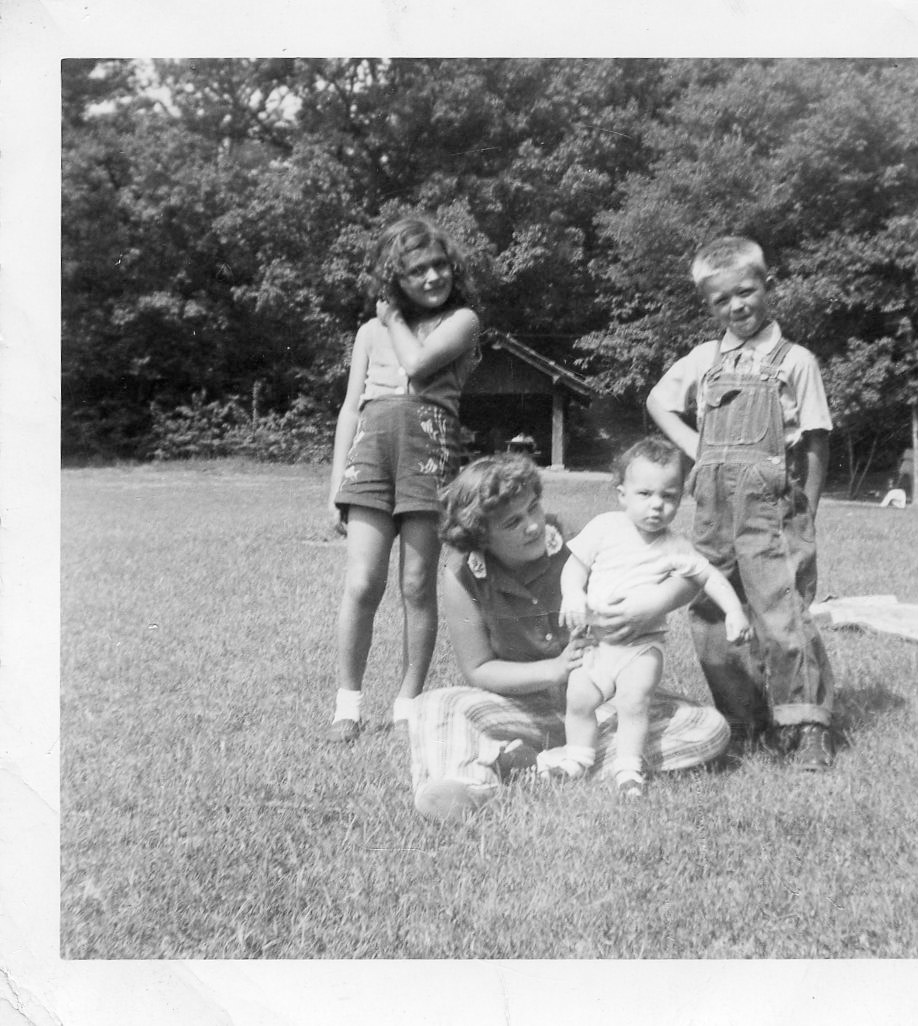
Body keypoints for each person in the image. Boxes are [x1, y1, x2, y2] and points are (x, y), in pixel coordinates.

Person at [408, 453, 731, 822]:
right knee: (435, 705)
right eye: (513, 522)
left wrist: (651, 604)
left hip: (606, 701)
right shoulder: (463, 574)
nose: (533, 525)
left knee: (708, 727)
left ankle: (540, 765)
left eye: (533, 507)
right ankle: (467, 786)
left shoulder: (580, 539)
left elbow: (690, 572)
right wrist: (556, 669)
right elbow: (479, 669)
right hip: (524, 709)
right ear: (481, 535)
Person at [646, 235, 836, 770]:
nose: (736, 306)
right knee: (712, 607)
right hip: (714, 509)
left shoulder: (796, 361)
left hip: (772, 508)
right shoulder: (703, 359)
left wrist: (808, 510)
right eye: (721, 300)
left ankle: (805, 725)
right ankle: (743, 721)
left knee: (782, 610)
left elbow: (816, 440)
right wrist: (699, 448)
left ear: (767, 286)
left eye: (746, 292)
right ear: (709, 305)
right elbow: (658, 401)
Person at [326, 217, 480, 742]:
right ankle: (348, 706)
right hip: (371, 455)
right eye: (416, 271)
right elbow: (350, 408)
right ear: (395, 278)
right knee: (362, 582)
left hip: (429, 453)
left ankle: (408, 705)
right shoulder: (369, 333)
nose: (433, 277)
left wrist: (392, 317)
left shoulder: (461, 321)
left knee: (416, 584)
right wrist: (335, 485)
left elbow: (416, 365)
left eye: (439, 265)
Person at [556, 438, 750, 798]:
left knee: (633, 700)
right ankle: (577, 758)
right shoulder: (604, 527)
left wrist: (734, 611)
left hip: (641, 646)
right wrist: (573, 594)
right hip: (596, 643)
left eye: (669, 496)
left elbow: (709, 577)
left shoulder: (675, 545)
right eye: (645, 494)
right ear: (622, 495)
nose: (657, 505)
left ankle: (628, 767)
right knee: (579, 698)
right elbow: (575, 567)